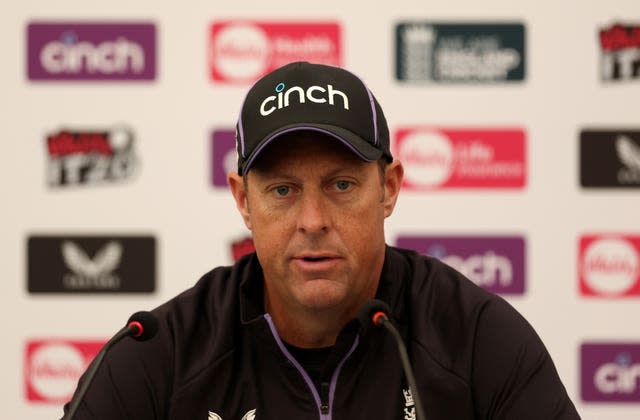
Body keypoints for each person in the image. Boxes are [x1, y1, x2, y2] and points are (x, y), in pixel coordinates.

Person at [63, 61, 581, 419]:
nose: (312, 220)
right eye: (283, 190)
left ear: (389, 189)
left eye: (341, 185)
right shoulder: (164, 352)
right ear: (244, 201)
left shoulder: (473, 338)